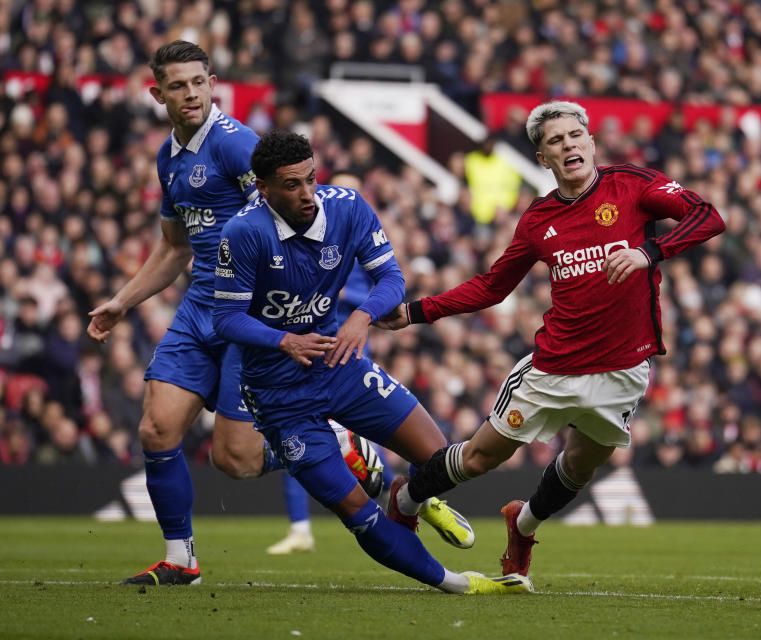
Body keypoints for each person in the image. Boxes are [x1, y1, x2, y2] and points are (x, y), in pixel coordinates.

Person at [376, 100, 726, 576]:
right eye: (555, 141)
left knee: (581, 467)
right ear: (544, 159)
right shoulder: (538, 221)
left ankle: (522, 525)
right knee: (480, 459)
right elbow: (491, 287)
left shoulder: (634, 186)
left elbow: (708, 217)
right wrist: (415, 311)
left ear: (591, 142)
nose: (569, 145)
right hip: (553, 370)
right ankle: (408, 495)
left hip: (624, 369)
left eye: (575, 135)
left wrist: (652, 251)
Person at [83, 41, 384, 585]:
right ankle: (180, 559)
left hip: (250, 316)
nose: (191, 93)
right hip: (201, 308)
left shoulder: (237, 145)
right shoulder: (167, 159)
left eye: (198, 81)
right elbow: (174, 248)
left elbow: (290, 221)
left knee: (238, 460)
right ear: (158, 94)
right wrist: (122, 302)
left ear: (212, 82)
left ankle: (339, 441)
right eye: (178, 85)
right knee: (156, 428)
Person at [211, 130, 526, 594]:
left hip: (341, 366)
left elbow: (392, 278)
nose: (307, 194)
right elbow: (226, 318)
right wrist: (284, 342)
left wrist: (361, 318)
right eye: (292, 185)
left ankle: (408, 494)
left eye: (310, 179)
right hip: (279, 396)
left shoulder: (347, 206)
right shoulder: (243, 232)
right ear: (264, 188)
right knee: (359, 513)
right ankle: (458, 584)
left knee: (439, 458)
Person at [266, 169, 394, 555]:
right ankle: (301, 527)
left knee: (349, 434)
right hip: (307, 341)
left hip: (344, 342)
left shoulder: (353, 233)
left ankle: (394, 495)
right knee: (298, 431)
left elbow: (380, 281)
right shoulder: (304, 233)